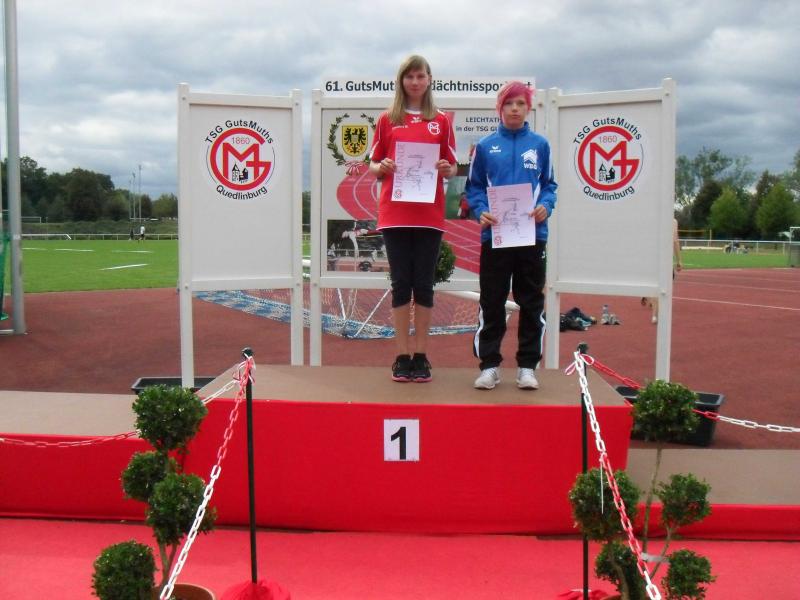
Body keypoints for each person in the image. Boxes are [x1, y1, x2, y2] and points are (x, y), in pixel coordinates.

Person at [368, 54, 457, 383]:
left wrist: (447, 169)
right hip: (395, 213)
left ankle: (421, 355)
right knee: (400, 284)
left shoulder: (441, 121)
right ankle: (401, 356)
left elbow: (452, 165)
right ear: (401, 80)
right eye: (410, 76)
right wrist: (382, 166)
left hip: (428, 214)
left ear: (429, 79)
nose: (415, 82)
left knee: (424, 285)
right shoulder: (387, 119)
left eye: (421, 76)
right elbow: (373, 164)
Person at [465, 81, 557, 390]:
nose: (514, 109)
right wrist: (481, 211)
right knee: (492, 301)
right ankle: (489, 366)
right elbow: (474, 187)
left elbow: (550, 185)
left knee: (531, 302)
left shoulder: (540, 145)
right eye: (508, 103)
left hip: (532, 235)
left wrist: (546, 206)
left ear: (528, 108)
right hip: (496, 236)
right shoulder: (485, 146)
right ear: (499, 108)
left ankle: (527, 367)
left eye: (520, 103)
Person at [644, 217, 682, 323]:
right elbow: (675, 242)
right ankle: (655, 314)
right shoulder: (672, 221)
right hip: (662, 259)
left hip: (656, 259)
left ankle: (654, 313)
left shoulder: (653, 218)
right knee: (663, 287)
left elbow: (675, 241)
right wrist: (679, 260)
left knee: (656, 285)